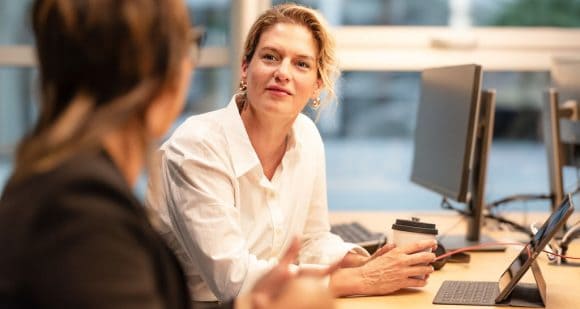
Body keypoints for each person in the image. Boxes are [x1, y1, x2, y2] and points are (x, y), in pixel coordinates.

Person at [0, 1, 334, 308]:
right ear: (152, 73)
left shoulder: (64, 185)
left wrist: (254, 303)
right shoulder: (81, 212)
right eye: (187, 47)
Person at [147, 3, 437, 303]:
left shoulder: (307, 137)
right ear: (246, 68)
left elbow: (312, 240)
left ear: (317, 85)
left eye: (301, 64)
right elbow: (234, 281)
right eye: (270, 57)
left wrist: (364, 262)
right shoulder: (197, 147)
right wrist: (361, 279)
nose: (282, 72)